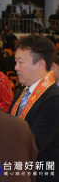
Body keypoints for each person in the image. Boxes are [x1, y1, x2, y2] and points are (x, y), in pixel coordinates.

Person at [8, 35, 59, 182]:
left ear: (41, 64)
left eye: (20, 62)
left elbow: (34, 145)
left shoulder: (53, 99)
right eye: (15, 61)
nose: (15, 67)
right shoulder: (21, 94)